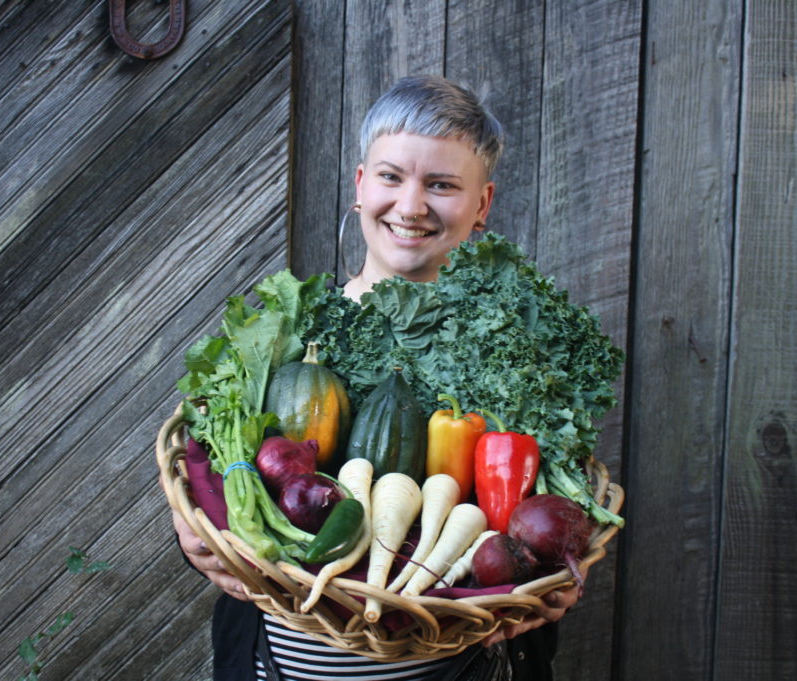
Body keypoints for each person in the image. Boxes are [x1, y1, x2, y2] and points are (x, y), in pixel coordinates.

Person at [172, 74, 585, 681]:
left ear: (483, 205)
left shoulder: (515, 353)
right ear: (362, 185)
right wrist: (193, 532)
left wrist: (555, 576)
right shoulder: (291, 333)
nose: (412, 205)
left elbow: (558, 510)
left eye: (442, 185)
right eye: (391, 177)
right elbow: (208, 470)